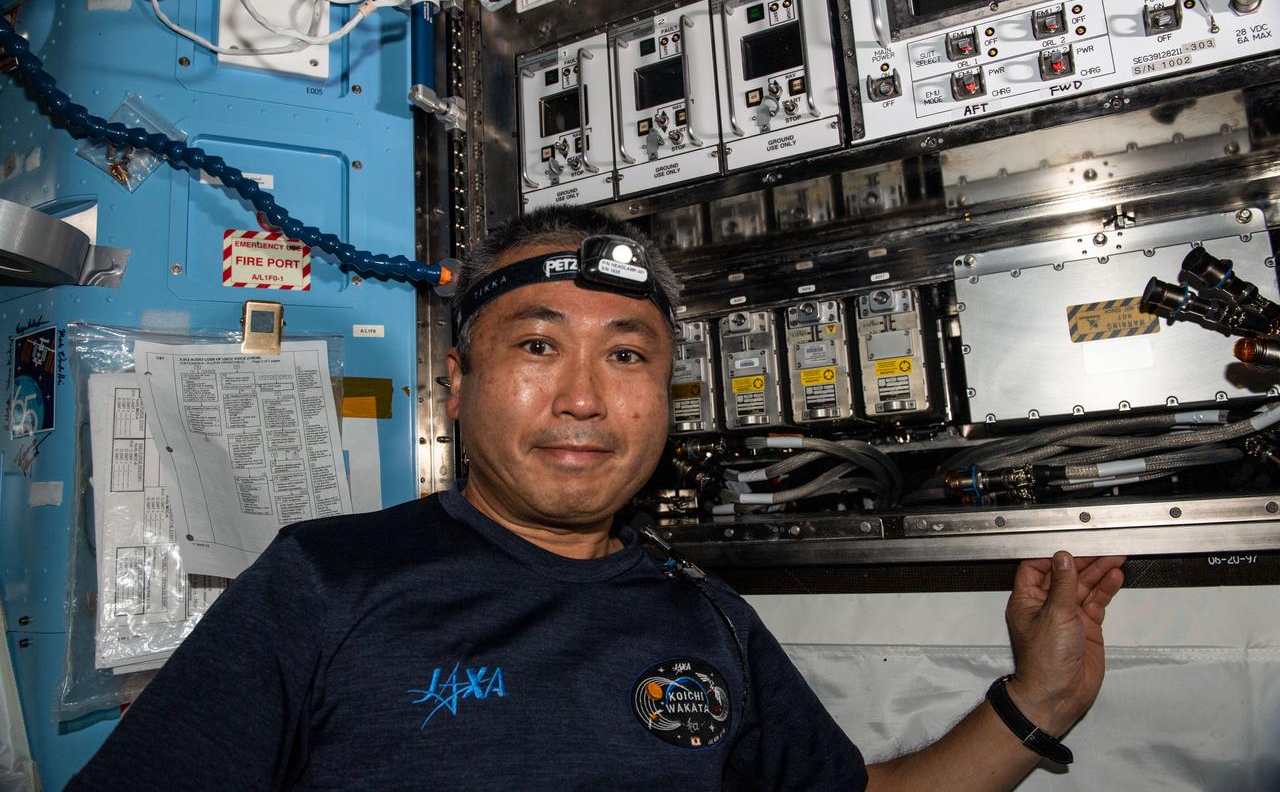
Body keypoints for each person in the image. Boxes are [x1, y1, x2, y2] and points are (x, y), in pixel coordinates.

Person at [69, 206, 1126, 790]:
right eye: (536, 344)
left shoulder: (707, 618)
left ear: (661, 401)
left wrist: (1038, 702)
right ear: (458, 383)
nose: (580, 396)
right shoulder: (328, 577)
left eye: (626, 354)